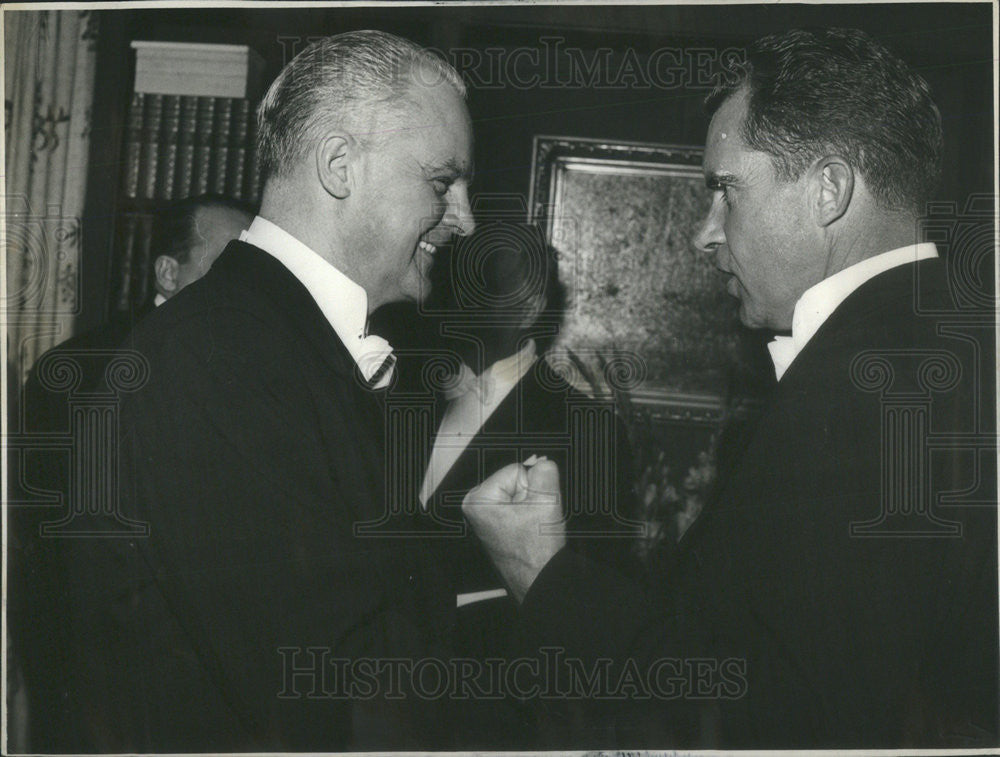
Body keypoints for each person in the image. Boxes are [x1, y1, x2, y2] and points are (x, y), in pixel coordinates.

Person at [463, 27, 997, 748]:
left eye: (725, 191)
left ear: (830, 190)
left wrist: (542, 570)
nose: (704, 234)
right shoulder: (944, 356)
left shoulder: (862, 391)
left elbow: (779, 720)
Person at [62, 31, 474, 751]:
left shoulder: (275, 340)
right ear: (341, 165)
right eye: (443, 183)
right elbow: (326, 690)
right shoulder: (217, 354)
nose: (466, 218)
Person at [8, 193, 253, 753]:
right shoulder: (76, 371)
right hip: (104, 676)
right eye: (231, 263)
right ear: (168, 271)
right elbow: (47, 554)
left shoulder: (263, 373)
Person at [418, 224, 641, 746]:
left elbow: (578, 606)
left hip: (489, 715)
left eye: (489, 284)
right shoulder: (392, 394)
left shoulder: (586, 430)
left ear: (532, 303)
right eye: (456, 282)